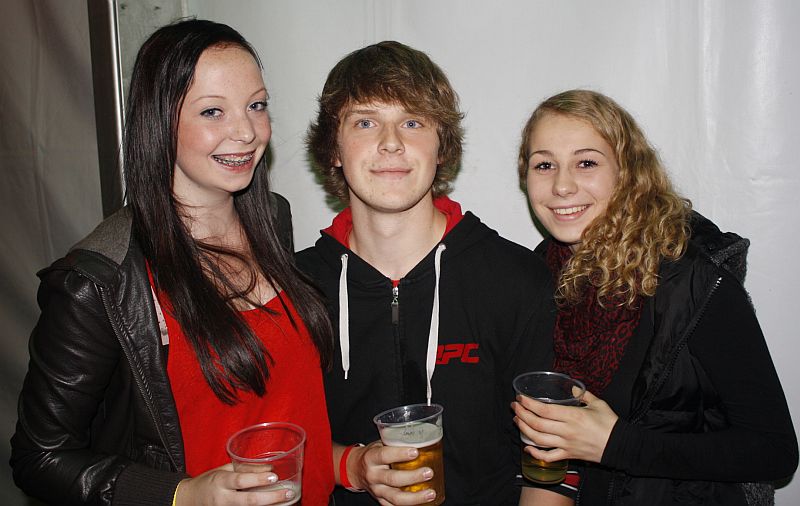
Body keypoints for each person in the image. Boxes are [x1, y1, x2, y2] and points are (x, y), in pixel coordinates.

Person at [10, 19, 334, 506]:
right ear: (160, 122)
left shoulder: (273, 219)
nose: (246, 132)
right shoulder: (98, 281)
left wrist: (350, 463)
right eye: (212, 111)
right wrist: (182, 493)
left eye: (256, 105)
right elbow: (40, 458)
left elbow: (290, 402)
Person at [297, 41, 555, 506]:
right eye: (365, 122)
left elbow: (549, 467)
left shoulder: (517, 280)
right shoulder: (293, 288)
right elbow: (272, 443)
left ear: (442, 148)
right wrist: (351, 466)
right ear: (334, 148)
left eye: (412, 122)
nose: (391, 142)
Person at [512, 89, 798, 505]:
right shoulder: (537, 278)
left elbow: (775, 452)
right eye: (544, 165)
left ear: (627, 172)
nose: (562, 185)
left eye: (586, 162)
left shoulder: (694, 283)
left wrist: (618, 445)